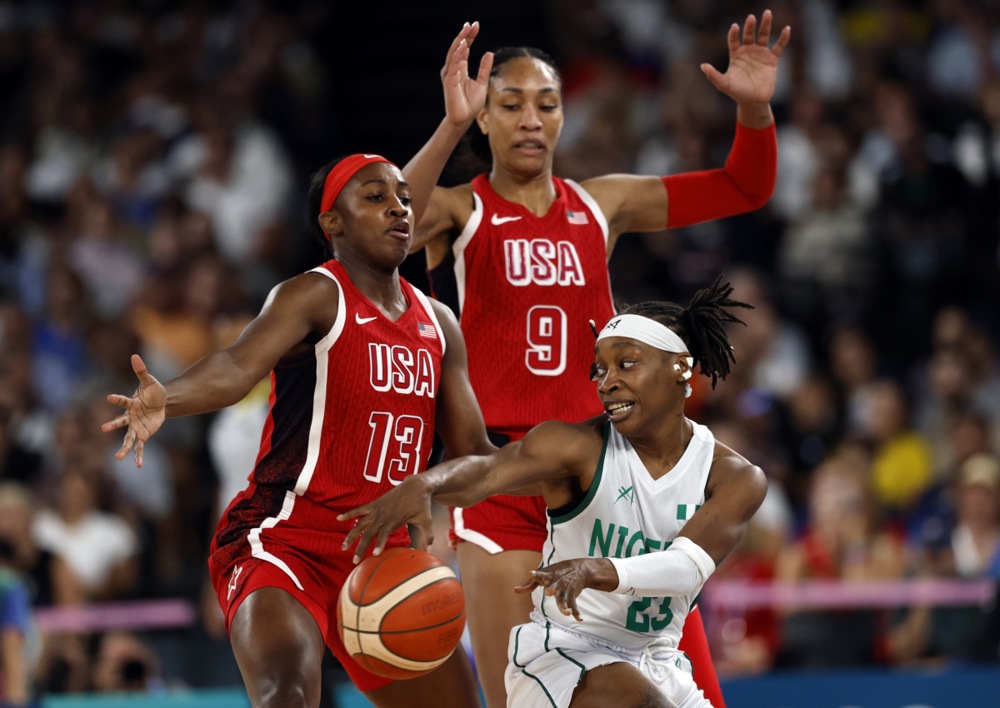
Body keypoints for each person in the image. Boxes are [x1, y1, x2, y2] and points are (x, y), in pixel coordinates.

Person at [402, 13, 790, 707]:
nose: (530, 119)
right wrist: (448, 127)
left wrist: (756, 109)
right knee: (528, 698)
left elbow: (743, 187)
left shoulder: (600, 204)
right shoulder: (462, 212)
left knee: (684, 692)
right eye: (510, 105)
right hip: (505, 479)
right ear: (484, 119)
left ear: (562, 116)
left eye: (546, 104)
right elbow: (384, 223)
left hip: (608, 479)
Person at [101, 150, 499, 703]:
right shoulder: (316, 293)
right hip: (286, 541)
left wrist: (430, 485)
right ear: (331, 224)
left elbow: (478, 455)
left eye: (405, 198)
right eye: (376, 197)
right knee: (285, 693)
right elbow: (238, 367)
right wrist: (171, 397)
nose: (399, 209)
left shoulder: (440, 324)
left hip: (384, 556)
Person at [340, 277, 768, 707]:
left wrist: (597, 569)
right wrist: (426, 483)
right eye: (600, 369)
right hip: (567, 656)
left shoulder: (734, 476)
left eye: (627, 363)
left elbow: (685, 569)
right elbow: (487, 472)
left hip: (659, 661)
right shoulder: (577, 446)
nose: (607, 382)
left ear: (679, 368)